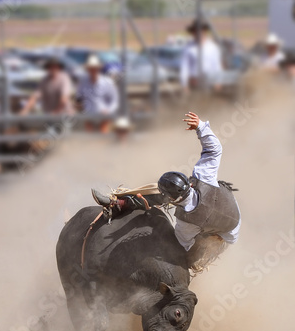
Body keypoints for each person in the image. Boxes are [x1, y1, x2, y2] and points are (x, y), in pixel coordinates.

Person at [92, 112, 241, 271]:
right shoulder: (204, 176)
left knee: (188, 259)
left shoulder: (186, 225)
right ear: (188, 184)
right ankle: (122, 202)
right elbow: (215, 149)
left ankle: (121, 203)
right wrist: (201, 127)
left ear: (173, 200)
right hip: (231, 223)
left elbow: (183, 245)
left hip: (222, 236)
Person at [75, 54, 119, 134]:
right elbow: (79, 97)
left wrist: (108, 110)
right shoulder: (83, 81)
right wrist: (80, 108)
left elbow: (114, 100)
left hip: (104, 115)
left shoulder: (107, 82)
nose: (93, 71)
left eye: (95, 69)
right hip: (88, 116)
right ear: (88, 69)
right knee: (89, 138)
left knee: (103, 135)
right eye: (91, 69)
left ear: (98, 69)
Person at [180, 19, 223, 93]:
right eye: (195, 31)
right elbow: (184, 67)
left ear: (205, 31)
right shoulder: (188, 48)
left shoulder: (213, 47)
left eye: (200, 31)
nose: (198, 33)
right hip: (194, 83)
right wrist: (184, 85)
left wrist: (218, 82)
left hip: (210, 83)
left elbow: (217, 66)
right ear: (192, 32)